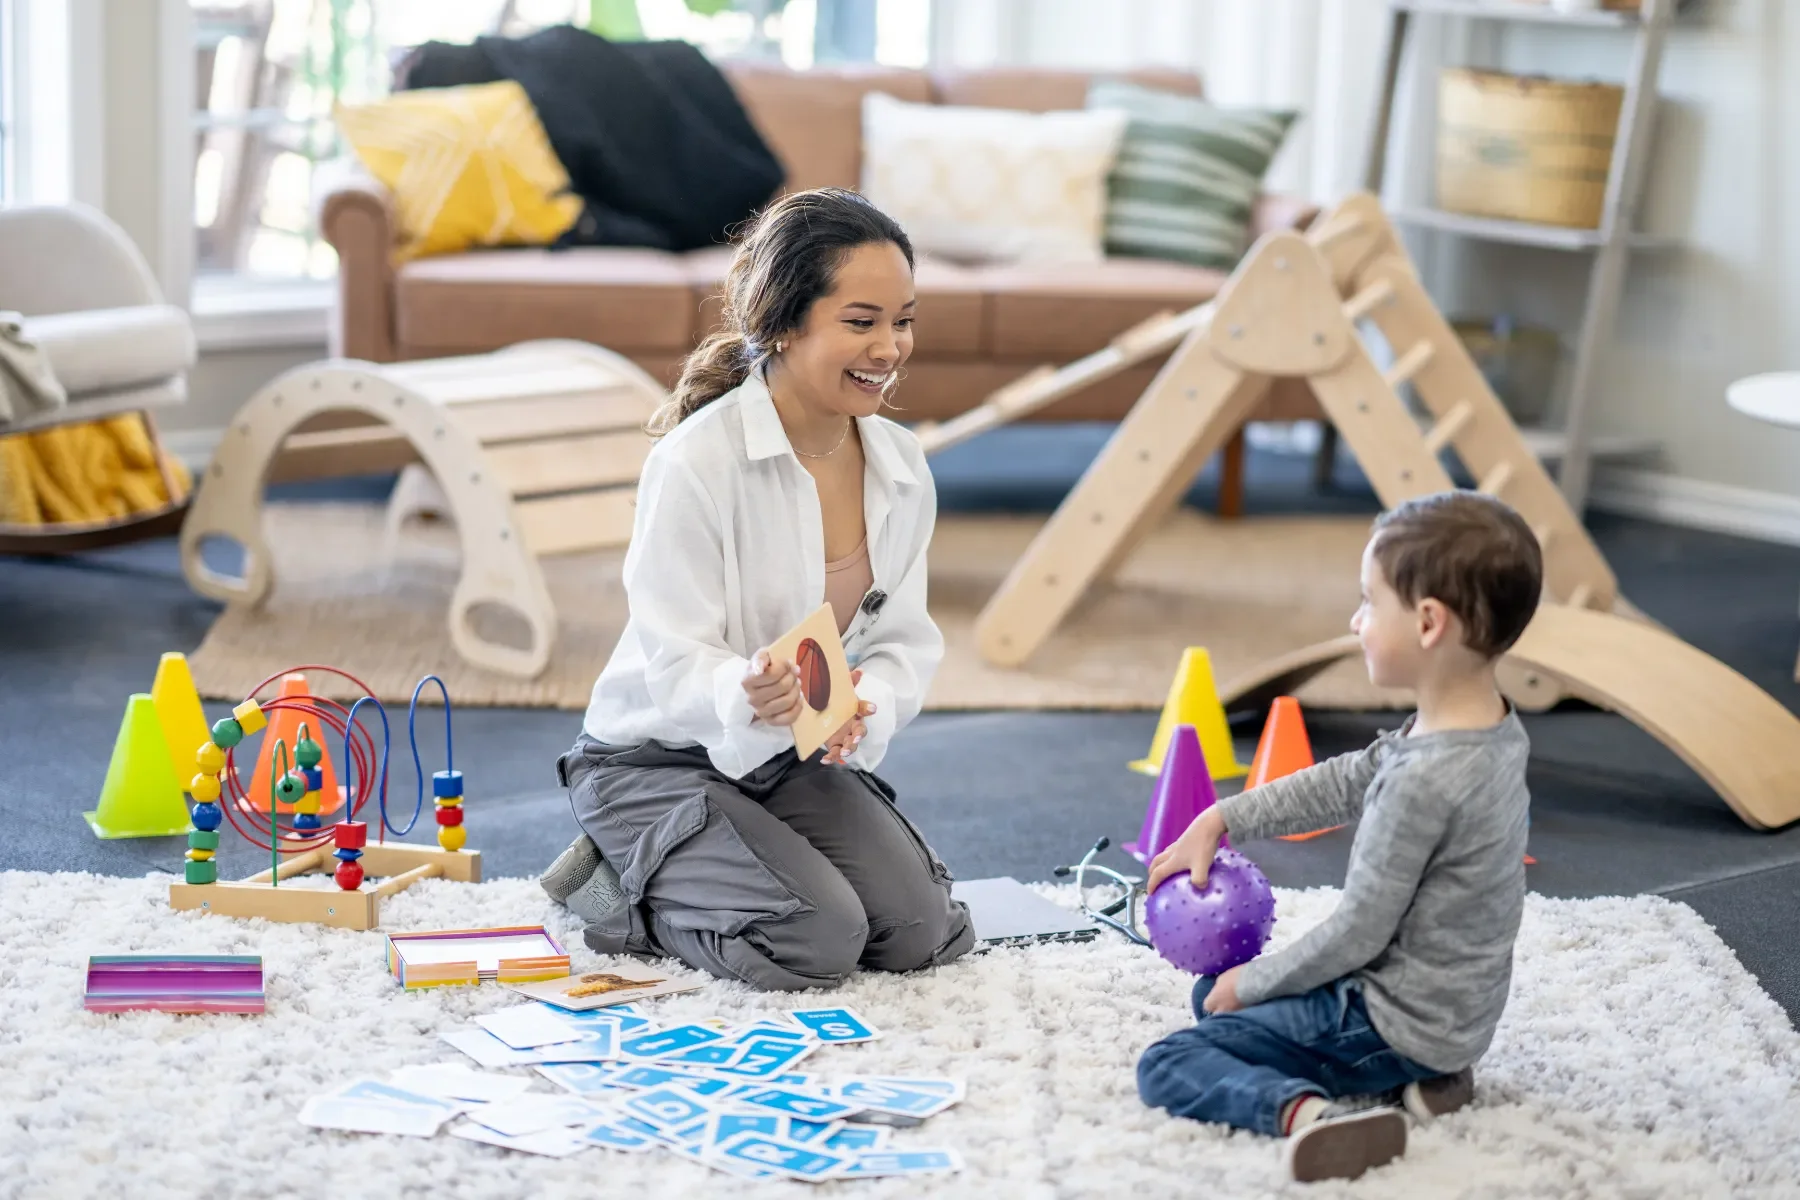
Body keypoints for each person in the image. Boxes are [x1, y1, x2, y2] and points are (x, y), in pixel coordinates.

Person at [539, 187, 974, 992]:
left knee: (922, 930)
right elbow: (675, 665)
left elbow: (903, 640)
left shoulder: (902, 468)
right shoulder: (695, 464)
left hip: (787, 753)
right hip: (655, 760)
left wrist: (862, 703)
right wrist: (745, 688)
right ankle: (610, 891)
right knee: (815, 942)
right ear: (782, 323)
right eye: (860, 321)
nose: (889, 347)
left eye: (903, 320)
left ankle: (747, 851)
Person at [1136, 491, 1542, 1184]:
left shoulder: (1426, 783)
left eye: (1367, 601)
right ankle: (1434, 1078)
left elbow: (1359, 934)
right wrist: (1222, 817)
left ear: (1427, 622)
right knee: (1216, 995)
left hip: (1391, 1017)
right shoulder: (1491, 728)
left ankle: (1316, 1116)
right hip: (1456, 1013)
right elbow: (1349, 778)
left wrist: (1256, 982)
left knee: (1178, 1053)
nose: (1355, 621)